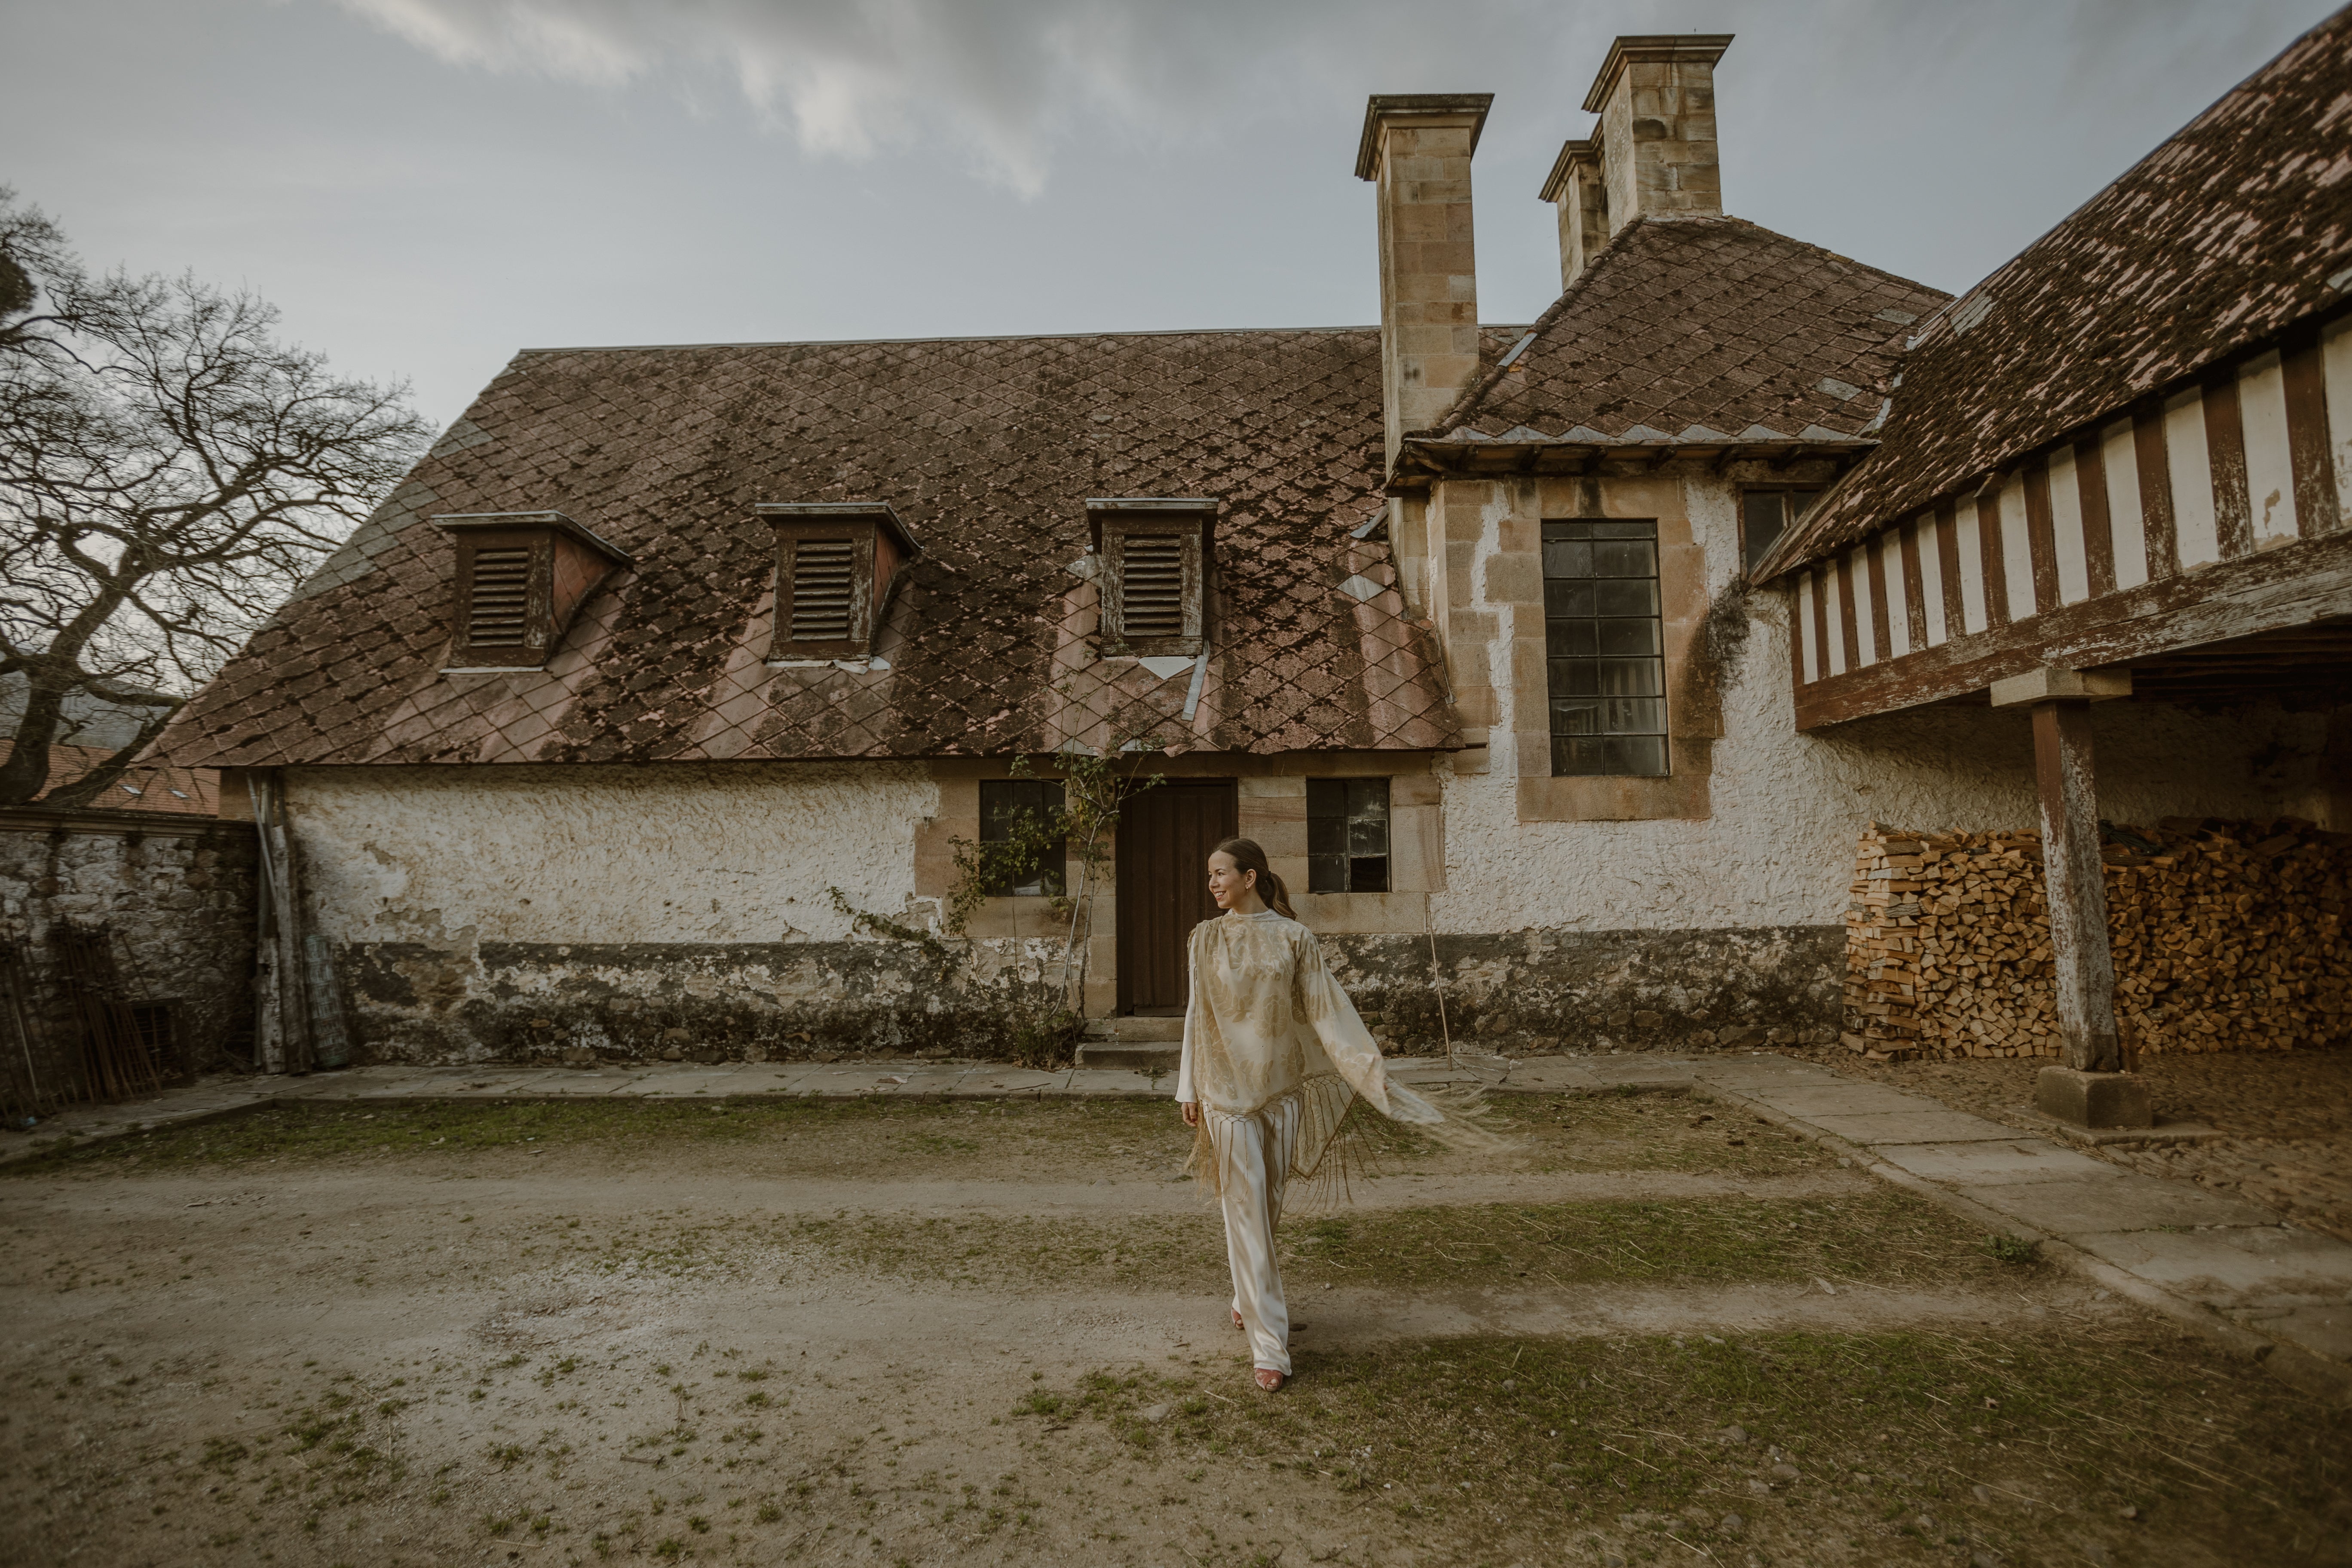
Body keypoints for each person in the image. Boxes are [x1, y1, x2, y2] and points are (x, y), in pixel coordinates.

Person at [1175, 836, 1469, 1393]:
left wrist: (1367, 1070)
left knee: (1265, 1207)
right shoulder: (1204, 940)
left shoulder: (1294, 939)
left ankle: (1245, 1296)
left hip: (1283, 1092)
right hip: (1225, 1096)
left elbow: (1328, 1010)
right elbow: (1196, 1014)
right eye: (1210, 875)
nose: (1212, 883)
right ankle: (1271, 1347)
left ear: (1250, 877)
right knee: (1246, 1213)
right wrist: (1187, 1085)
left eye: (1220, 873)